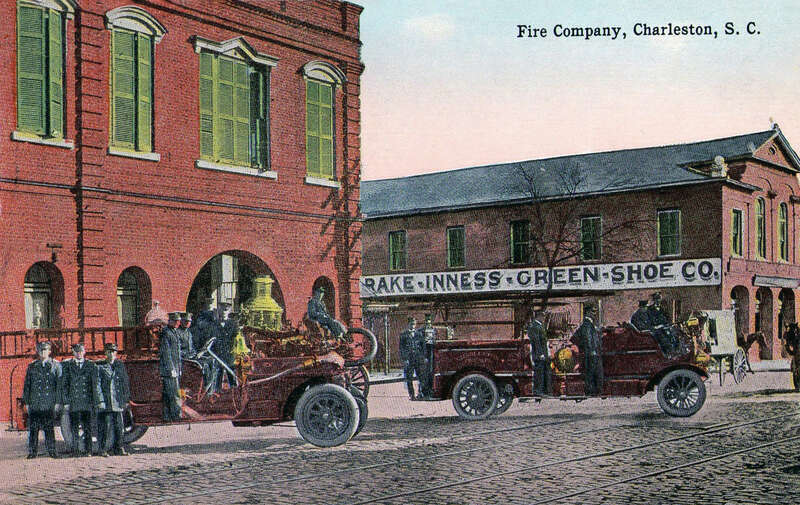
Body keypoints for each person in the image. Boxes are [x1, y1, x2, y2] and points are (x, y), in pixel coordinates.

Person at [22, 341, 62, 459]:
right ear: (38, 352)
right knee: (33, 429)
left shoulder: (56, 365)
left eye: (45, 350)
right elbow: (27, 386)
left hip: (49, 403)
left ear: (49, 352)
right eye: (41, 350)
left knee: (49, 428)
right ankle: (32, 452)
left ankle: (52, 451)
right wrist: (28, 402)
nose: (43, 352)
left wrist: (57, 402)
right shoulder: (32, 366)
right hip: (35, 402)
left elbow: (59, 386)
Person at [61, 343, 98, 457]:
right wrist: (66, 402)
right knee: (74, 428)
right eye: (77, 352)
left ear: (84, 352)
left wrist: (95, 402)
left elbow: (94, 385)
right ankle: (76, 450)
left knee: (87, 428)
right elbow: (65, 385)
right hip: (74, 402)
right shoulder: (68, 366)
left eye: (81, 351)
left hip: (87, 402)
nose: (79, 354)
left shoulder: (90, 365)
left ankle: (88, 450)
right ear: (73, 353)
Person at [96, 343, 130, 456]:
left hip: (117, 400)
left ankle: (119, 448)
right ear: (105, 353)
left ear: (116, 353)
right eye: (109, 352)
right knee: (105, 426)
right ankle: (103, 449)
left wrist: (125, 399)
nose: (111, 354)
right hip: (106, 401)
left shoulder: (120, 365)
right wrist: (100, 400)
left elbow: (125, 383)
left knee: (119, 426)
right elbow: (98, 385)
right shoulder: (100, 366)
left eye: (113, 352)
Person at [571, 306, 603, 396]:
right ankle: (591, 391)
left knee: (594, 372)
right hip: (591, 353)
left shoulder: (589, 324)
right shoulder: (587, 325)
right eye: (593, 312)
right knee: (592, 372)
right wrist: (592, 350)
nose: (594, 314)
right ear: (588, 313)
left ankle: (594, 391)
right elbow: (588, 339)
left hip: (592, 352)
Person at [159, 312, 182, 421]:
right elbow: (166, 353)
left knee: (169, 394)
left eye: (178, 321)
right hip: (169, 370)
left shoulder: (174, 332)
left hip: (174, 368)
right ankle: (176, 416)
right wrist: (171, 369)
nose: (178, 323)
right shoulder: (167, 333)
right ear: (171, 321)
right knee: (174, 393)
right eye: (176, 321)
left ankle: (167, 416)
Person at [527, 310, 551, 396]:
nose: (544, 318)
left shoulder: (539, 326)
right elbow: (536, 341)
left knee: (543, 372)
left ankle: (544, 391)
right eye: (543, 316)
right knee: (539, 373)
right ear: (539, 316)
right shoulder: (535, 326)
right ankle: (538, 391)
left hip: (543, 354)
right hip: (539, 355)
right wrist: (540, 354)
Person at [398, 317, 423, 400]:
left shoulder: (419, 334)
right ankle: (411, 395)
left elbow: (423, 347)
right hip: (409, 359)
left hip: (418, 359)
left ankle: (420, 393)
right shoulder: (403, 334)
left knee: (421, 377)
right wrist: (405, 359)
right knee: (409, 378)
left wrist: (422, 357)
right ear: (408, 324)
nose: (413, 326)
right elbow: (401, 348)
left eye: (414, 324)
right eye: (411, 324)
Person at [417, 313, 436, 398]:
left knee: (431, 372)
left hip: (432, 353)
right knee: (423, 373)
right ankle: (422, 392)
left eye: (429, 321)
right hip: (424, 354)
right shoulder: (420, 331)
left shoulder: (434, 330)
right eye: (427, 321)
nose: (428, 323)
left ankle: (430, 391)